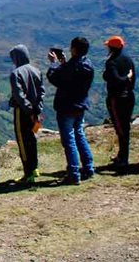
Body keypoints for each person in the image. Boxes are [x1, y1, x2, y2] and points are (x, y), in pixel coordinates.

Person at [47, 37, 95, 185]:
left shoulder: (70, 67)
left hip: (66, 107)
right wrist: (64, 63)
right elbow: (70, 74)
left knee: (69, 140)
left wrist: (54, 64)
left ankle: (74, 174)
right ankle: (88, 167)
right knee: (79, 134)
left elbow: (54, 78)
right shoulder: (88, 65)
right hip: (80, 106)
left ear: (74, 49)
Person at [8, 45, 45, 184]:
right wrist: (36, 110)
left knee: (22, 141)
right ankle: (34, 168)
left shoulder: (16, 73)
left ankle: (27, 173)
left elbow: (19, 95)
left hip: (21, 112)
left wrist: (28, 110)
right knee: (32, 138)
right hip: (35, 112)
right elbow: (42, 92)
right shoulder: (36, 70)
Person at [102, 36, 136, 170]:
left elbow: (116, 79)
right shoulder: (128, 59)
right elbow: (133, 77)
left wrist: (124, 78)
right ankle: (122, 156)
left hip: (116, 98)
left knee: (121, 129)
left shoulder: (111, 62)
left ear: (111, 48)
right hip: (129, 96)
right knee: (124, 127)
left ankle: (123, 159)